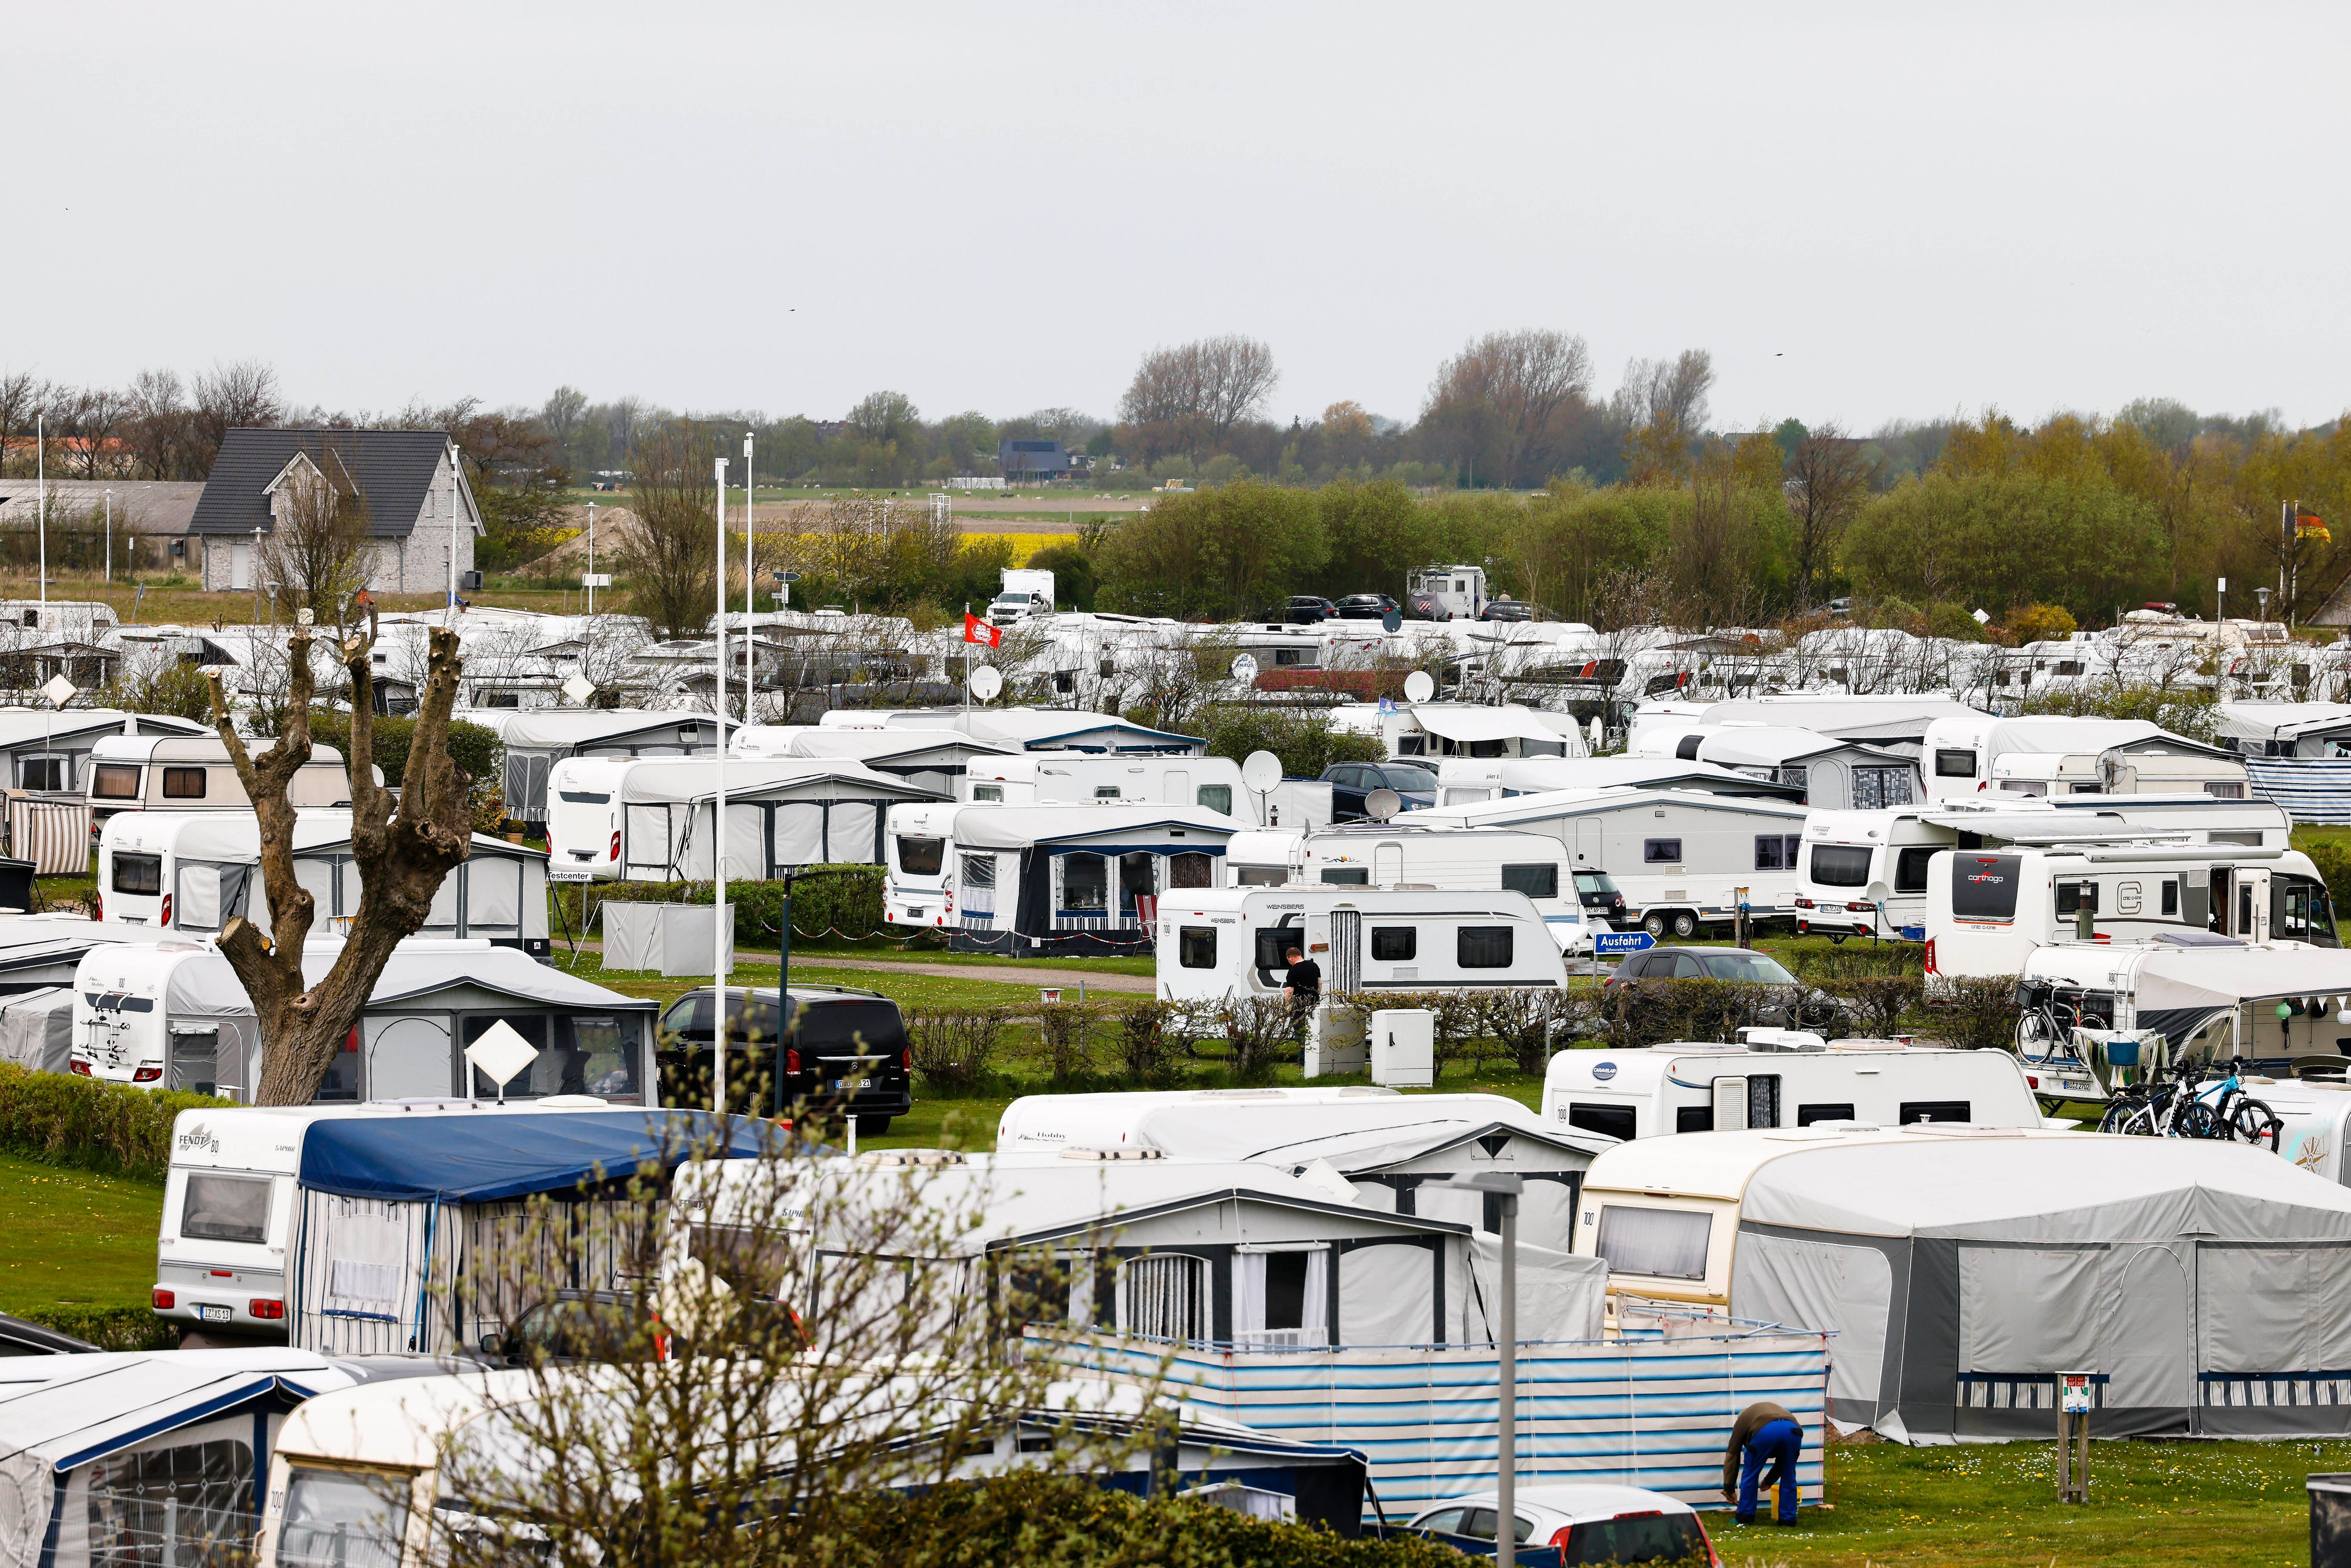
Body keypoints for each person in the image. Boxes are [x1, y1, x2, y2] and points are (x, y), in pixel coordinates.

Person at [1721, 1400, 1801, 1525]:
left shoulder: (1742, 1421)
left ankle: (1745, 1517)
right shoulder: (1763, 1412)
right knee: (1789, 1474)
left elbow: (1732, 1455)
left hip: (1765, 1431)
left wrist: (1729, 1488)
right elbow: (1783, 1462)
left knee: (1751, 1474)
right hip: (1793, 1430)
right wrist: (1770, 1480)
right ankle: (1788, 1519)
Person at [1281, 944, 1321, 1043]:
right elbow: (1320, 984)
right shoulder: (1314, 966)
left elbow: (1289, 991)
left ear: (1290, 958)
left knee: (1300, 1035)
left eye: (1288, 960)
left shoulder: (1293, 971)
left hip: (1299, 1007)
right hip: (1314, 1005)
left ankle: (1302, 1053)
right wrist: (1316, 996)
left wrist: (1285, 1008)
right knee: (1314, 1033)